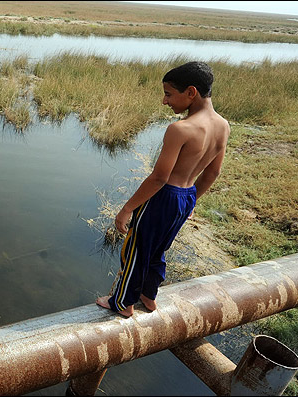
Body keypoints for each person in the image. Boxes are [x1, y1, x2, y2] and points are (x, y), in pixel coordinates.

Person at [96, 61, 230, 317]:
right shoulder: (223, 126)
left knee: (136, 250)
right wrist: (191, 203)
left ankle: (123, 303)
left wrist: (126, 209)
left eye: (169, 94)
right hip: (186, 196)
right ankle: (149, 295)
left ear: (191, 92)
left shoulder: (180, 129)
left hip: (163, 197)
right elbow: (213, 173)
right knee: (158, 249)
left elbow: (159, 177)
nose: (164, 101)